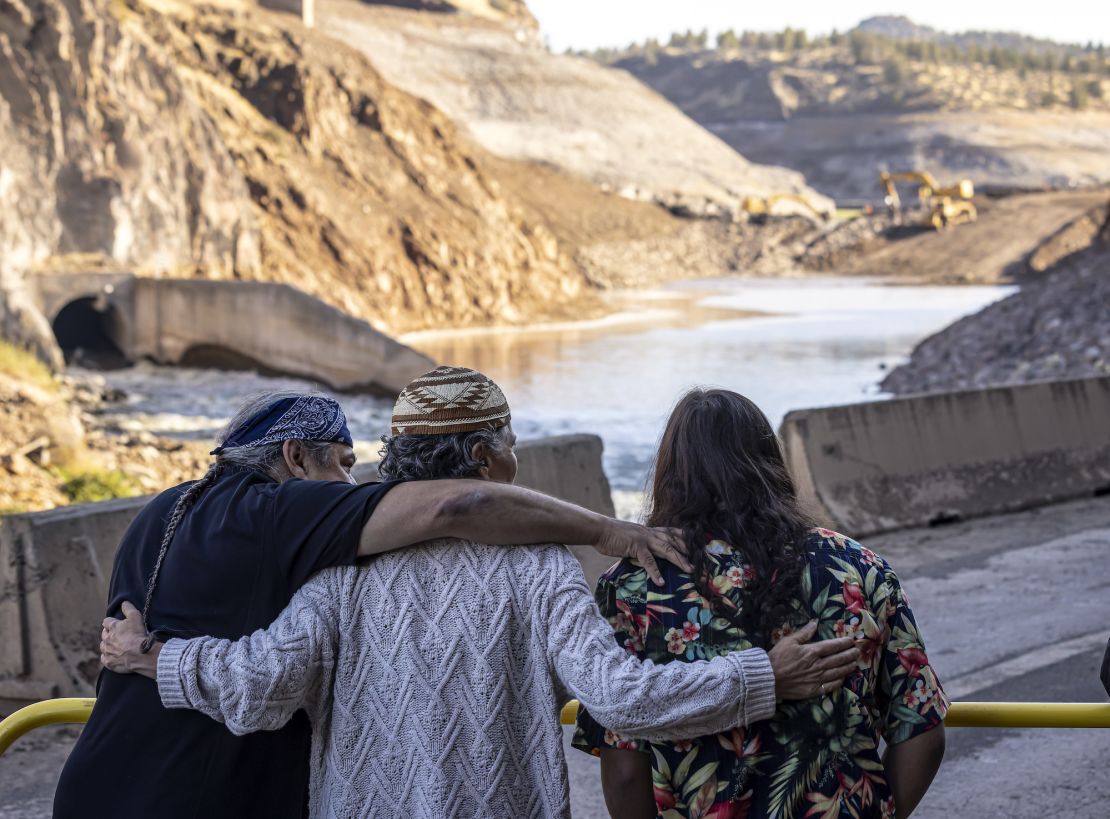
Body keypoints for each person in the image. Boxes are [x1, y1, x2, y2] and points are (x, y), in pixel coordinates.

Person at [100, 368, 860, 818]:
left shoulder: (336, 571)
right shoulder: (537, 565)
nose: (516, 460)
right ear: (478, 456)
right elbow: (623, 698)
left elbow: (259, 684)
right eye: (509, 444)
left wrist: (154, 657)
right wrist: (766, 674)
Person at [573, 388, 947, 819]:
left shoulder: (634, 587)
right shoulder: (858, 567)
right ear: (770, 461)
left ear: (671, 472)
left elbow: (624, 770)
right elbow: (921, 730)